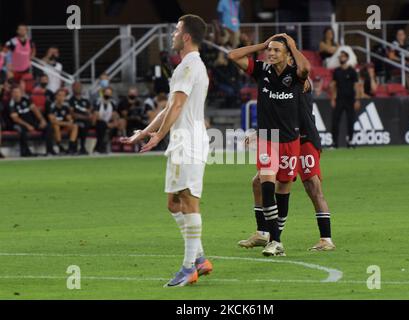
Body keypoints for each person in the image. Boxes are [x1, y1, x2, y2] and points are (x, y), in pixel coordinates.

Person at [120, 14, 212, 288]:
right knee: (173, 203)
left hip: (188, 141)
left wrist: (159, 135)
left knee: (188, 200)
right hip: (183, 140)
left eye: (175, 30)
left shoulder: (188, 65)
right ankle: (199, 258)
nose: (172, 34)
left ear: (186, 36)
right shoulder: (190, 65)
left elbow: (177, 106)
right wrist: (146, 132)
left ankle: (187, 269)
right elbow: (169, 108)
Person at [228, 33, 310, 256]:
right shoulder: (261, 70)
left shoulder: (295, 74)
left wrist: (292, 45)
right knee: (265, 183)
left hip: (290, 139)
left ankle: (273, 238)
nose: (271, 53)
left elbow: (306, 68)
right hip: (267, 138)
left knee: (283, 188)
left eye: (276, 50)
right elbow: (233, 55)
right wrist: (262, 44)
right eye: (270, 50)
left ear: (286, 54)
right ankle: (271, 238)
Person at [239, 77, 335, 251]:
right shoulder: (278, 80)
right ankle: (263, 234)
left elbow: (291, 113)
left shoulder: (299, 79)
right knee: (259, 182)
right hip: (284, 138)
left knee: (312, 186)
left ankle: (326, 239)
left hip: (304, 139)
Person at [9, 86, 54, 156]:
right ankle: (25, 152)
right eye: (14, 92)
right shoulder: (11, 104)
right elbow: (15, 119)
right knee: (21, 130)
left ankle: (50, 150)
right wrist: (27, 125)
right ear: (12, 94)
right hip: (19, 124)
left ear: (21, 93)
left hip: (31, 122)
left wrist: (42, 120)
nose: (16, 94)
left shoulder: (26, 100)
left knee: (48, 127)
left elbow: (35, 110)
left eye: (18, 92)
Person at [330, 50, 360, 148]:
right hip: (339, 99)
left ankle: (350, 141)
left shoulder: (352, 71)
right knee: (335, 121)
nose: (341, 58)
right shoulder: (337, 71)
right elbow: (334, 85)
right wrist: (333, 98)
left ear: (347, 58)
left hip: (350, 99)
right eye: (340, 56)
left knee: (350, 121)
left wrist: (357, 99)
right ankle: (334, 143)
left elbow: (356, 86)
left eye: (343, 56)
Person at [47, 89, 78, 155]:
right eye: (60, 95)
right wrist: (66, 123)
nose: (61, 98)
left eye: (63, 96)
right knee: (56, 126)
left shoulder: (65, 107)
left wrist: (70, 121)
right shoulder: (51, 106)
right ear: (56, 96)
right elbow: (53, 121)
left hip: (63, 125)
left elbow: (69, 119)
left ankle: (71, 147)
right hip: (53, 126)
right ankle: (59, 146)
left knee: (75, 126)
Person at [92, 87, 123, 154]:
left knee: (115, 126)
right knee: (102, 125)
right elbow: (96, 115)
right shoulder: (98, 102)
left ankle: (107, 146)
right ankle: (98, 148)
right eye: (106, 93)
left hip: (108, 121)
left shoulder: (112, 102)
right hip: (98, 121)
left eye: (109, 93)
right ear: (103, 93)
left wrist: (115, 122)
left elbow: (114, 114)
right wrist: (107, 124)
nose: (108, 94)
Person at [68, 82, 93, 155]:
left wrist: (90, 115)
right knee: (81, 125)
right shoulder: (71, 100)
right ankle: (77, 147)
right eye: (76, 86)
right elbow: (72, 113)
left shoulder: (85, 100)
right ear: (72, 88)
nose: (78, 88)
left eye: (79, 86)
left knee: (96, 124)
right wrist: (84, 117)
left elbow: (89, 111)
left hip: (86, 120)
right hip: (76, 120)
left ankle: (83, 147)